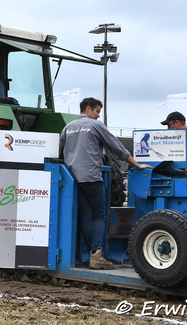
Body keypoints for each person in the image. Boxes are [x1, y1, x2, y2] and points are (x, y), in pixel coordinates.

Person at [59, 97, 153, 270]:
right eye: (97, 111)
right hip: (92, 177)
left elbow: (61, 153)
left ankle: (89, 253)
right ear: (88, 109)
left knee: (85, 216)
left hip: (73, 178)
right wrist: (138, 165)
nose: (98, 115)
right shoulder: (95, 126)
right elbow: (117, 147)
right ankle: (97, 255)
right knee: (100, 216)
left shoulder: (67, 128)